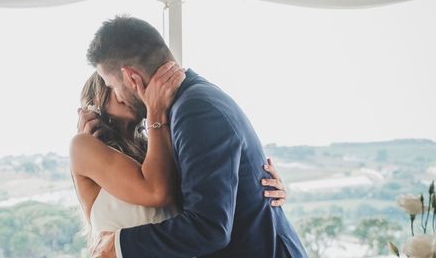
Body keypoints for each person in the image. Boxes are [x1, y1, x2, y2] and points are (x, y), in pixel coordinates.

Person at [84, 15, 307, 258]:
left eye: (111, 85)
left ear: (132, 78)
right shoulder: (186, 104)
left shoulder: (195, 109)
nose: (114, 95)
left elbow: (209, 227)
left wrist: (119, 245)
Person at [71, 66, 288, 253]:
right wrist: (156, 112)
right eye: (110, 86)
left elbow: (208, 195)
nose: (123, 92)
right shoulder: (83, 146)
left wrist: (260, 186)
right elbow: (157, 192)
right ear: (94, 101)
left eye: (127, 84)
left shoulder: (160, 150)